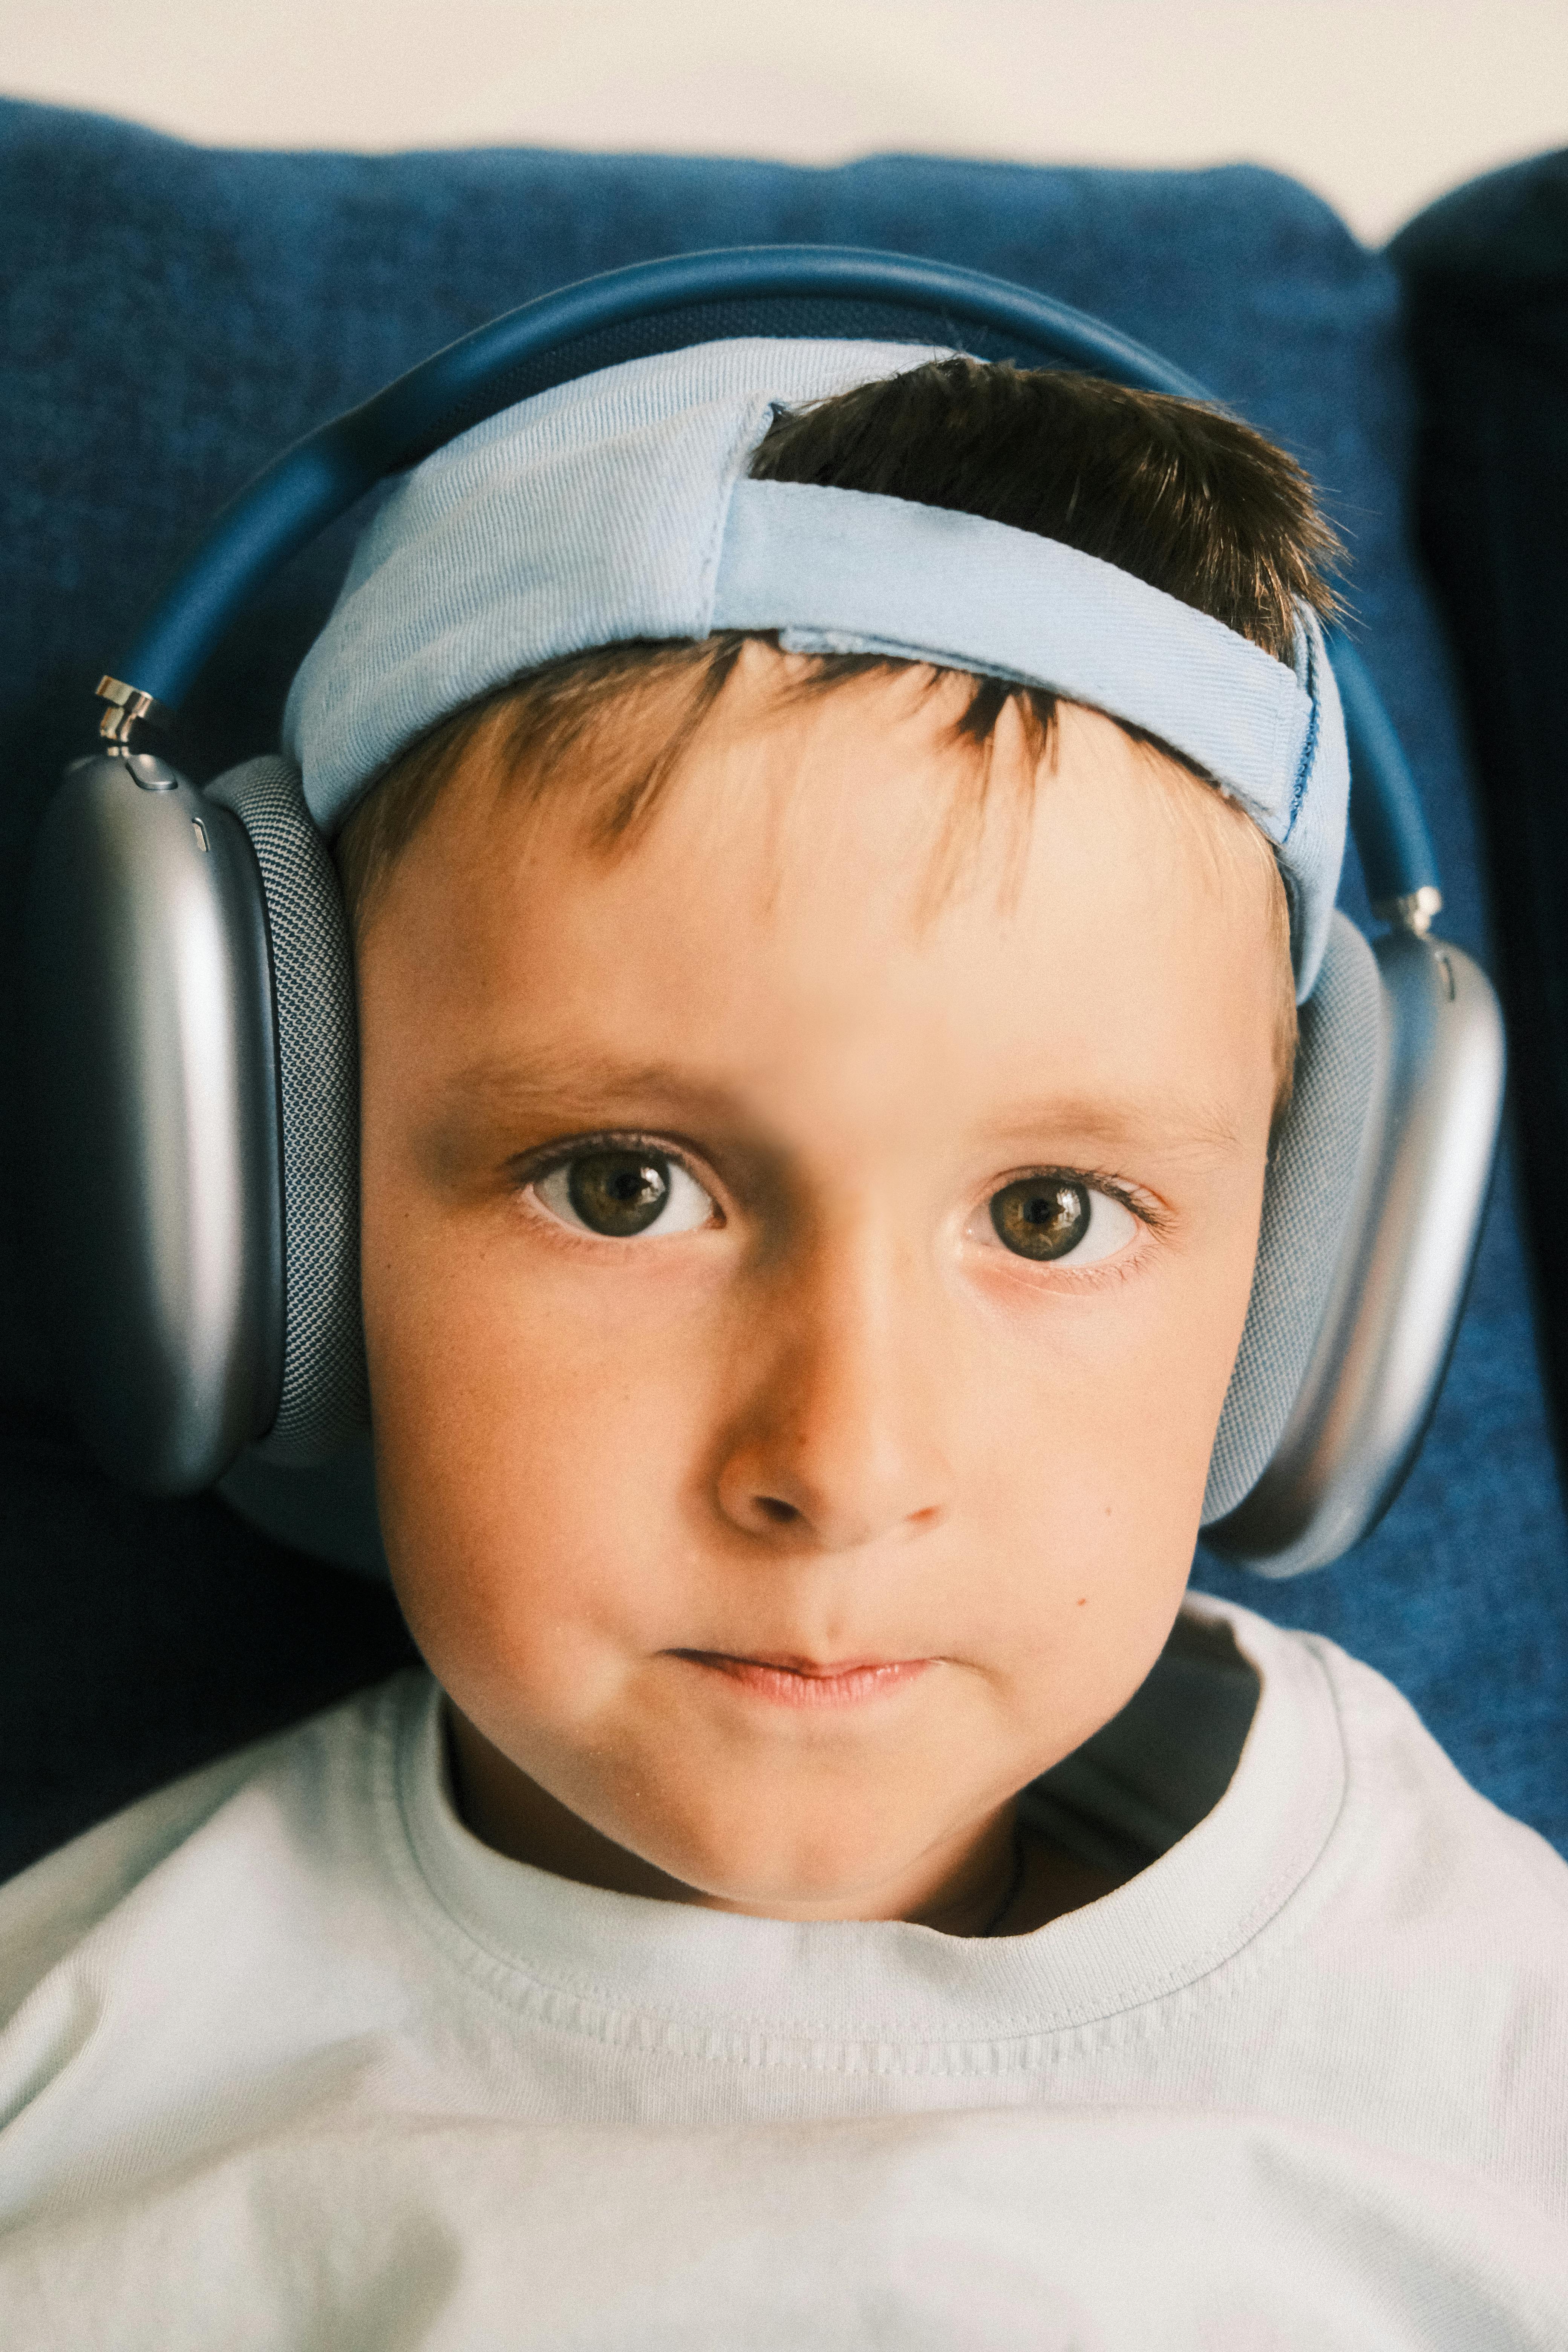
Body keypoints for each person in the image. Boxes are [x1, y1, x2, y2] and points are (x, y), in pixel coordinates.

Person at [1, 340, 1564, 2346]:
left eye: (1047, 1216)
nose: (840, 1457)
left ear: (1315, 1292)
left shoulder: (1485, 2035)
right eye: (628, 1187)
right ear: (254, 1215)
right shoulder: (94, 2085)